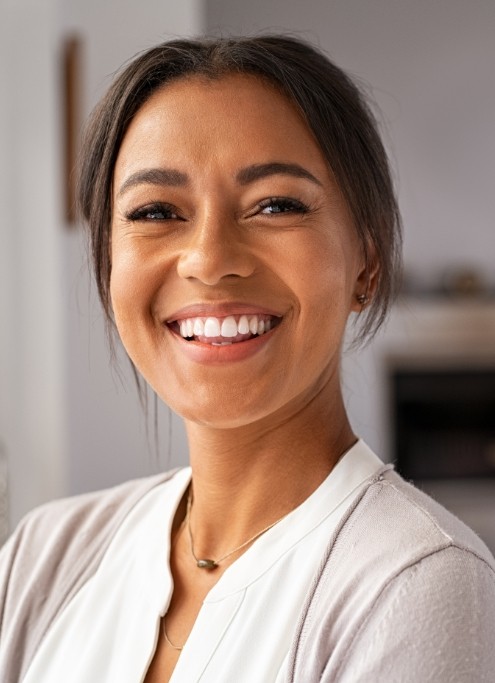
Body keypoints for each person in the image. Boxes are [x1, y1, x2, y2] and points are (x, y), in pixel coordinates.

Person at [0, 35, 494, 683]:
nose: (208, 258)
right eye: (155, 211)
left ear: (365, 262)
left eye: (275, 204)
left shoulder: (417, 582)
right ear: (108, 264)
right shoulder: (44, 556)